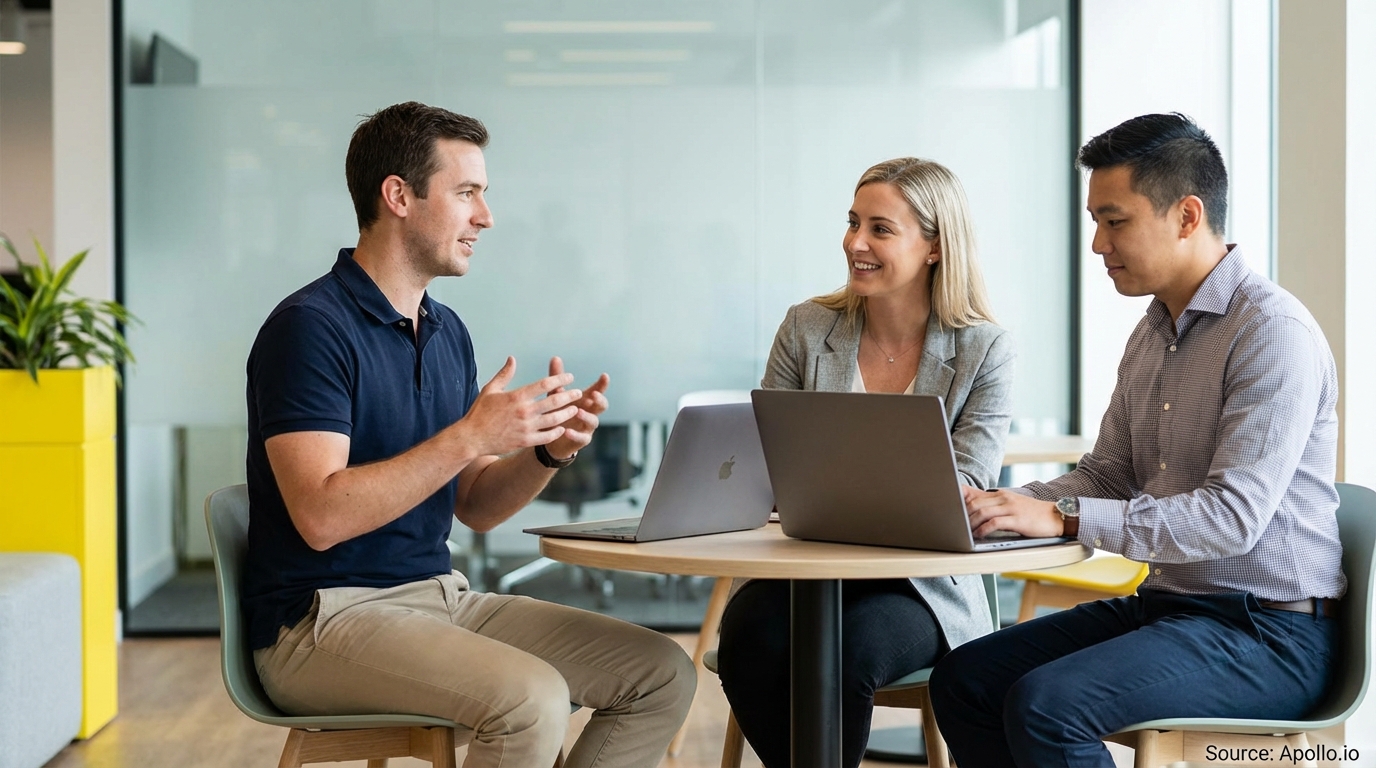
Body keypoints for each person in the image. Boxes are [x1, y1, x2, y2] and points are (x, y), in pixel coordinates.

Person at [241, 101, 695, 768]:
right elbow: (319, 516)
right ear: (398, 195)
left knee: (660, 674)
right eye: (467, 194)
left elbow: (475, 506)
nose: (486, 216)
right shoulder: (310, 329)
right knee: (530, 700)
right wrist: (469, 434)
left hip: (437, 597)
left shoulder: (446, 331)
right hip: (321, 620)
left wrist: (546, 451)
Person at [929, 112, 1344, 767]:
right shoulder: (1153, 333)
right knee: (965, 682)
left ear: (1186, 215)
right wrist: (1003, 506)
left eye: (1114, 221)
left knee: (1046, 707)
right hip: (1171, 610)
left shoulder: (1272, 332)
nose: (1097, 243)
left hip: (1270, 631)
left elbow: (1230, 519)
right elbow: (1107, 474)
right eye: (1096, 220)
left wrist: (1062, 520)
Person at [715, 157, 1015, 767]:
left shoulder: (984, 347)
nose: (856, 243)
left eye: (881, 229)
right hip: (805, 571)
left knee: (845, 656)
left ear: (935, 246)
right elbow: (766, 452)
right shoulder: (806, 327)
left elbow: (970, 479)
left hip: (918, 584)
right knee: (747, 637)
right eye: (853, 223)